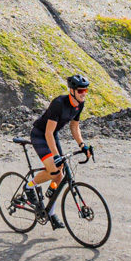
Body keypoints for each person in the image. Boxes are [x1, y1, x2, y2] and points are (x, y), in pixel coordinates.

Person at [24, 74, 94, 230]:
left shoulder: (79, 104)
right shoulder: (58, 104)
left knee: (60, 176)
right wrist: (56, 156)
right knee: (55, 170)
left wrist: (83, 145)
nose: (84, 93)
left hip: (52, 135)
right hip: (40, 135)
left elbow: (74, 127)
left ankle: (51, 213)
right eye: (81, 90)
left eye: (86, 90)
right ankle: (29, 186)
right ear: (72, 90)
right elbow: (48, 133)